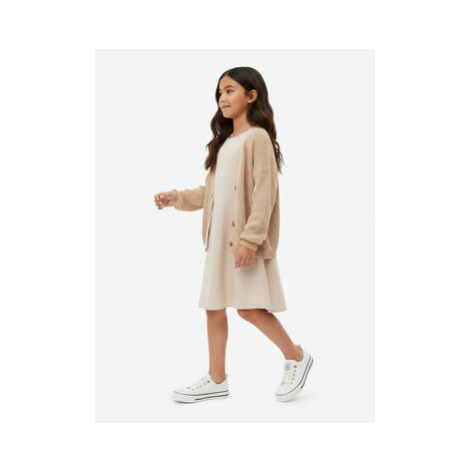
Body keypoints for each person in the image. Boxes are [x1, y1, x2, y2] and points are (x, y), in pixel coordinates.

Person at [154, 66, 313, 403]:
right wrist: (175, 198)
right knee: (213, 308)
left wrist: (249, 240)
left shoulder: (257, 139)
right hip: (218, 243)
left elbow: (264, 195)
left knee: (250, 309)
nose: (222, 98)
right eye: (220, 93)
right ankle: (216, 378)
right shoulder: (224, 143)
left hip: (242, 243)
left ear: (251, 95)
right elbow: (212, 194)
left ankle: (297, 356)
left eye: (230, 91)